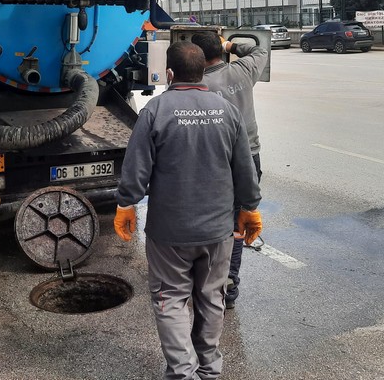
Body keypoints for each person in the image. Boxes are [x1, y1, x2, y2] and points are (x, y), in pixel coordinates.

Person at [114, 40, 262, 380]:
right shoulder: (227, 110)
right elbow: (245, 168)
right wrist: (250, 208)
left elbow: (136, 170)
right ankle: (209, 369)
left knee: (171, 300)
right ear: (205, 71)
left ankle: (182, 372)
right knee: (212, 297)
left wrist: (126, 204)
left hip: (170, 232)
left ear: (169, 73)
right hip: (218, 231)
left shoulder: (155, 111)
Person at [190, 31, 269, 310]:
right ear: (221, 51)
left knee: (211, 222)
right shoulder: (244, 70)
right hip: (250, 158)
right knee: (237, 224)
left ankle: (204, 281)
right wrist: (230, 44)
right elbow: (260, 50)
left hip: (215, 162)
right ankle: (229, 284)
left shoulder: (196, 85)